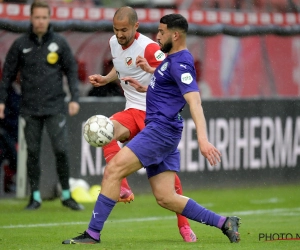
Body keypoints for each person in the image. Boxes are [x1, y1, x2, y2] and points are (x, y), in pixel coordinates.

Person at [62, 13, 241, 244]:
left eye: (162, 32)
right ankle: (225, 222)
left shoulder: (181, 63)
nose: (157, 36)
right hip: (162, 130)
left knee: (114, 169)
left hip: (160, 131)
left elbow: (194, 101)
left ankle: (92, 234)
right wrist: (145, 85)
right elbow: (169, 91)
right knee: (166, 197)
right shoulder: (170, 59)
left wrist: (203, 140)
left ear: (175, 35)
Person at [88, 7, 196, 242]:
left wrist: (147, 76)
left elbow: (170, 70)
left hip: (154, 114)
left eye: (124, 30)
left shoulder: (149, 47)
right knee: (105, 129)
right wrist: (106, 78)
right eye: (116, 30)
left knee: (169, 183)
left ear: (135, 27)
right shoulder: (114, 42)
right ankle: (123, 187)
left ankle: (184, 226)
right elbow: (120, 65)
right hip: (132, 110)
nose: (119, 35)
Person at [0, 1, 84, 211]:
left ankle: (66, 195)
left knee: (62, 150)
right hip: (29, 108)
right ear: (31, 18)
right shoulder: (20, 44)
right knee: (33, 153)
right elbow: (7, 75)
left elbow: (71, 70)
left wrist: (74, 97)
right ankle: (35, 197)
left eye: (44, 17)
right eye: (37, 17)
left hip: (55, 106)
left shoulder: (60, 43)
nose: (40, 21)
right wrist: (1, 101)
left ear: (49, 18)